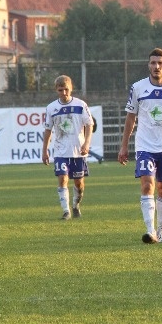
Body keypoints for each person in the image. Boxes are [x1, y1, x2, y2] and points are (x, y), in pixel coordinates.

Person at [118, 48, 162, 244]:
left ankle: (161, 231)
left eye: (160, 63)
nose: (156, 66)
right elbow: (131, 117)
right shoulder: (138, 88)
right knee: (147, 184)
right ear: (148, 65)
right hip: (144, 146)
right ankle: (150, 232)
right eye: (152, 63)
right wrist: (124, 146)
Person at [41, 75, 94, 220]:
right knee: (62, 178)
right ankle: (66, 211)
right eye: (60, 90)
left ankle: (76, 205)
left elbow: (89, 125)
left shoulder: (80, 105)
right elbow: (47, 130)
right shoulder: (51, 108)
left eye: (66, 89)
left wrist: (87, 143)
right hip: (60, 150)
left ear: (71, 88)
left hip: (78, 151)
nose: (64, 93)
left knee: (79, 183)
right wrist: (44, 150)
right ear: (56, 90)